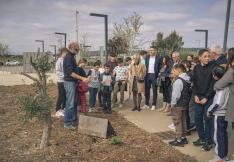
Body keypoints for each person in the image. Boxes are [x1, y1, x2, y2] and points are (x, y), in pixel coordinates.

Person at [192, 49, 216, 151]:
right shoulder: (196, 68)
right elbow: (194, 82)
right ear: (200, 57)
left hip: (208, 98)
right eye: (205, 56)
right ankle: (202, 138)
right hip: (198, 97)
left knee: (208, 119)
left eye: (208, 56)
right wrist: (195, 95)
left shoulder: (213, 67)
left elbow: (213, 85)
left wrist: (206, 97)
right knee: (197, 118)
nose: (207, 58)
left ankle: (209, 141)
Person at [63, 42, 89, 130]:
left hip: (72, 82)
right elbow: (71, 73)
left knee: (73, 103)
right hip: (69, 82)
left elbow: (75, 70)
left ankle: (73, 120)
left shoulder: (71, 57)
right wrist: (82, 78)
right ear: (73, 48)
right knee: (70, 103)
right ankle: (67, 123)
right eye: (77, 49)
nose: (78, 51)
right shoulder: (69, 57)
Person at [214, 48, 234, 160]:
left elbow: (218, 85)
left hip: (227, 107)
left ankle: (222, 157)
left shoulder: (231, 71)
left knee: (222, 133)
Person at [207, 66, 229, 162]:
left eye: (213, 74)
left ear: (216, 76)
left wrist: (210, 111)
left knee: (218, 136)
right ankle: (224, 156)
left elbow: (218, 102)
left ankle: (220, 158)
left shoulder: (220, 86)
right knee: (223, 135)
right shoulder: (227, 84)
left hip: (219, 114)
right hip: (225, 113)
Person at [168, 64, 191, 147]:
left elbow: (176, 95)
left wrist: (172, 104)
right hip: (184, 104)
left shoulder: (178, 81)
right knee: (183, 121)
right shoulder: (187, 79)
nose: (172, 72)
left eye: (174, 71)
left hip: (178, 105)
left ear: (179, 71)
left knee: (177, 122)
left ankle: (178, 139)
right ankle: (183, 137)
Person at [55, 48, 68, 118]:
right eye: (66, 53)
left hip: (65, 80)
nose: (66, 55)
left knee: (65, 95)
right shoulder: (59, 61)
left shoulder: (64, 60)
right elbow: (58, 72)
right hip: (60, 81)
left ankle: (63, 109)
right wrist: (65, 75)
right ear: (62, 53)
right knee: (61, 95)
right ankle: (57, 110)